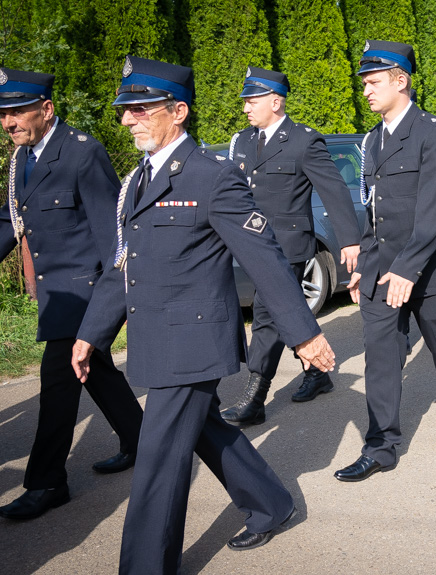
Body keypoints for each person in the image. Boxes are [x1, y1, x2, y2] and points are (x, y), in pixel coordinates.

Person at [70, 56, 336, 573]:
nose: (128, 119)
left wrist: (304, 335)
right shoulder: (137, 181)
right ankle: (271, 504)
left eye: (141, 109)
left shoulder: (213, 177)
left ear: (179, 112)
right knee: (205, 428)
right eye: (125, 110)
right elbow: (122, 268)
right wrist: (90, 335)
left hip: (192, 344)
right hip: (155, 337)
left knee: (157, 462)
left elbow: (267, 260)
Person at [334, 41, 436, 482]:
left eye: (374, 81)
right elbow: (374, 208)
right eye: (364, 83)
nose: (366, 90)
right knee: (380, 354)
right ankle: (381, 445)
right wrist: (364, 259)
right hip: (383, 267)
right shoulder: (372, 139)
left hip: (430, 268)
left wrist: (407, 267)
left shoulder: (433, 132)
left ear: (401, 81)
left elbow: (435, 210)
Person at [0, 68, 143, 521]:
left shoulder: (83, 154)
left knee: (57, 382)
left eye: (17, 112)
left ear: (46, 109)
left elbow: (113, 240)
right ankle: (140, 439)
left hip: (86, 293)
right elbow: (10, 221)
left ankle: (47, 483)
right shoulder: (23, 156)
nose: (8, 122)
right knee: (94, 369)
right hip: (55, 295)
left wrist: (113, 306)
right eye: (3, 114)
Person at [220, 66, 361, 426]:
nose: (246, 108)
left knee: (267, 314)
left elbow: (334, 189)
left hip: (289, 246)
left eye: (252, 101)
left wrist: (349, 240)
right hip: (252, 244)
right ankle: (318, 372)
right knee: (290, 309)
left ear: (276, 101)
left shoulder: (303, 140)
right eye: (246, 101)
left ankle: (255, 396)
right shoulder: (243, 141)